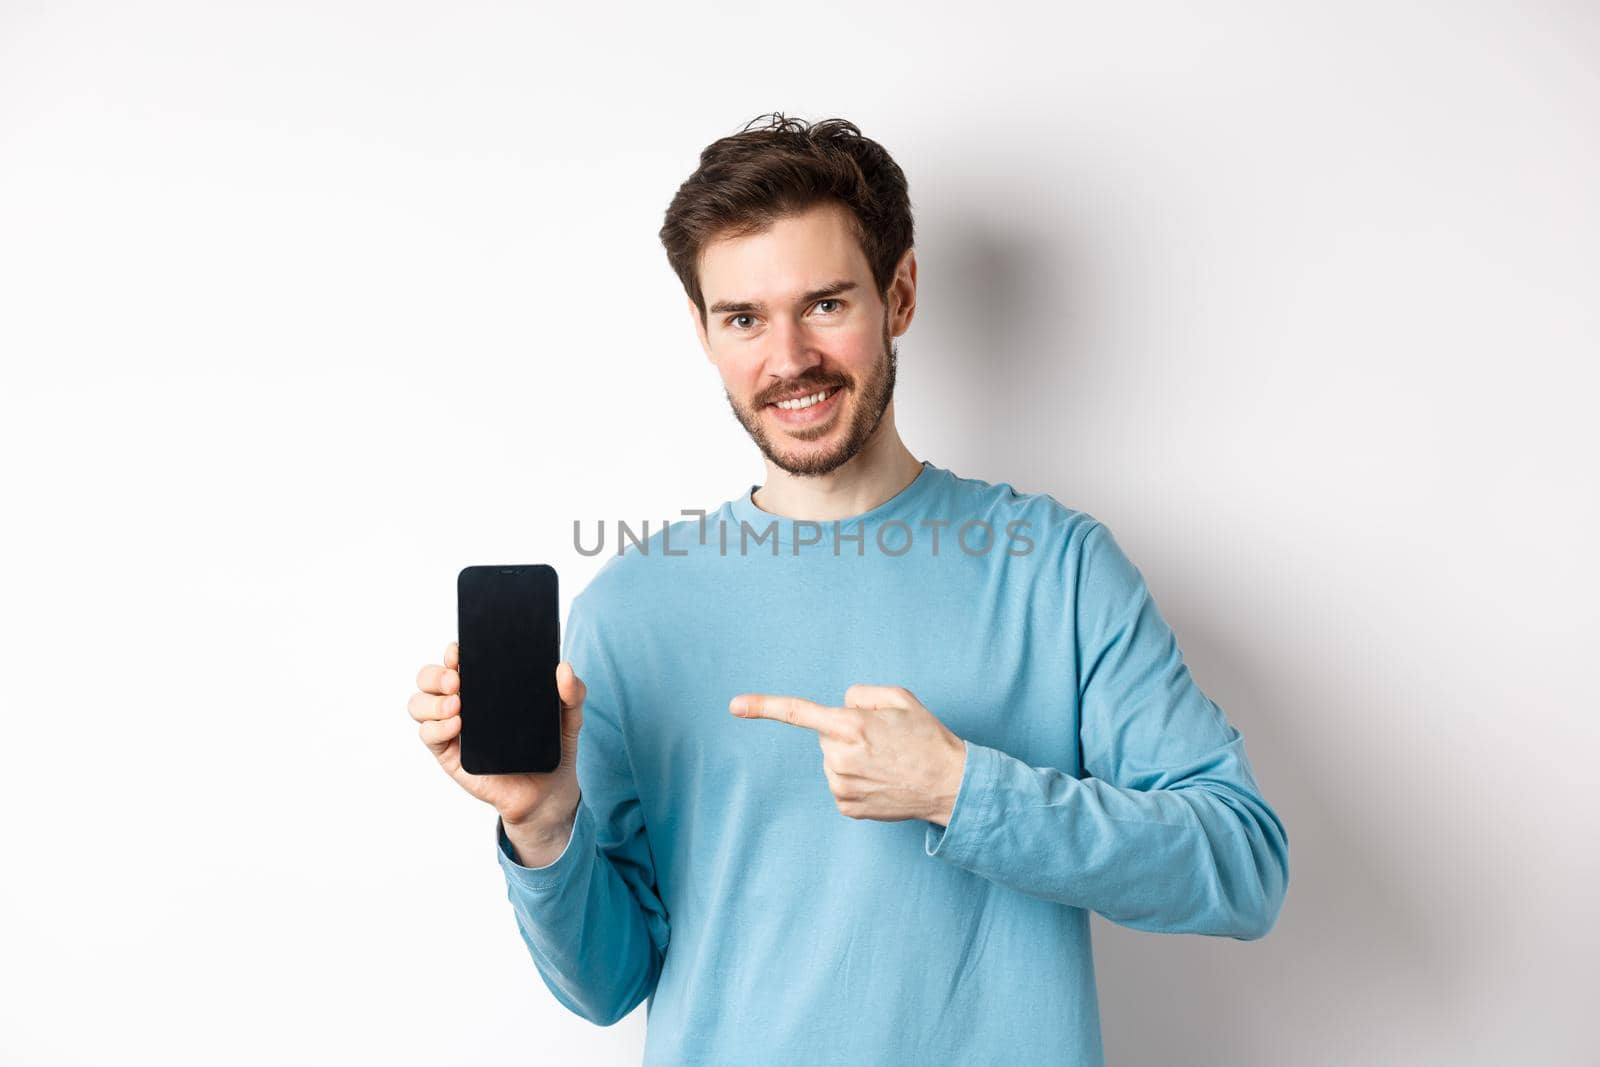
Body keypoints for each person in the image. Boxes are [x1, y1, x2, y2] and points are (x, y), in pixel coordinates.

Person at [407, 113, 1289, 1066]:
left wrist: (962, 788)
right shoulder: (631, 610)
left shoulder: (1057, 567)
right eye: (744, 318)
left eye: (825, 304)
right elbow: (607, 983)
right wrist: (542, 823)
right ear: (703, 333)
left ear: (899, 294)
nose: (787, 359)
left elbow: (1242, 864)